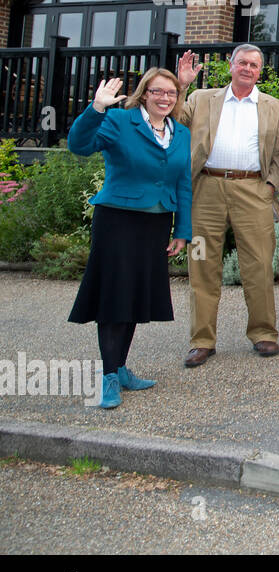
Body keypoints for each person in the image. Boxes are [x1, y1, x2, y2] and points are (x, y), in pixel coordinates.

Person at [68, 71, 190, 408]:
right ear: (144, 93)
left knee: (136, 294)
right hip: (118, 220)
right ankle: (107, 376)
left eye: (171, 93)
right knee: (114, 295)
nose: (164, 98)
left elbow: (183, 183)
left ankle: (120, 367)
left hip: (156, 223)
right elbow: (79, 145)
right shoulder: (120, 120)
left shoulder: (180, 133)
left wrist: (182, 229)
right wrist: (95, 109)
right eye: (157, 92)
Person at [175, 45, 279, 367]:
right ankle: (202, 340)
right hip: (206, 189)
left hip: (253, 189)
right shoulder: (201, 99)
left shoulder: (273, 107)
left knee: (259, 265)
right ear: (231, 66)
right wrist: (182, 85)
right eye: (242, 63)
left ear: (260, 70)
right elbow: (171, 121)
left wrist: (270, 187)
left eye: (254, 64)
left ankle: (264, 333)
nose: (247, 68)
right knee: (201, 265)